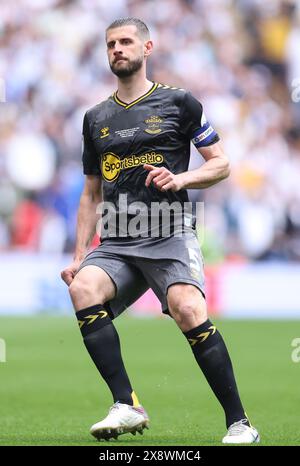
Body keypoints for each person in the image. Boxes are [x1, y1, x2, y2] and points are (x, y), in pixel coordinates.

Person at [61, 17, 260, 444]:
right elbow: (90, 192)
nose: (117, 48)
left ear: (147, 48)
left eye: (126, 41)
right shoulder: (95, 117)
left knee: (188, 309)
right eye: (111, 43)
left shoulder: (180, 102)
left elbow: (221, 163)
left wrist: (181, 179)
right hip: (116, 238)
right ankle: (126, 405)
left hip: (169, 232)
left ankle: (240, 423)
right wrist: (79, 255)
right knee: (82, 288)